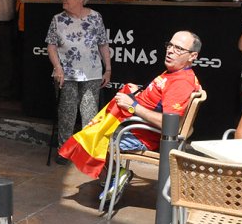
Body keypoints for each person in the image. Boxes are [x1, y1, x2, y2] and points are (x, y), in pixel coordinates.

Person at [60, 31, 202, 200]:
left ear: (192, 56)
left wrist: (133, 106)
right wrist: (138, 93)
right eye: (170, 45)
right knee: (92, 132)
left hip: (143, 135)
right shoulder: (175, 73)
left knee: (91, 140)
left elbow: (170, 124)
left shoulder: (181, 82)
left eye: (178, 49)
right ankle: (113, 175)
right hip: (137, 128)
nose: (170, 51)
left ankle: (114, 176)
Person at [46, 0, 111, 165]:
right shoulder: (58, 19)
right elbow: (51, 46)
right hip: (66, 73)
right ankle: (64, 150)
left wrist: (108, 69)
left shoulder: (95, 17)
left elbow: (103, 44)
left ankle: (87, 152)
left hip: (92, 72)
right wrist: (58, 68)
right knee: (67, 113)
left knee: (90, 114)